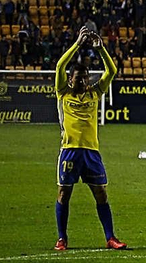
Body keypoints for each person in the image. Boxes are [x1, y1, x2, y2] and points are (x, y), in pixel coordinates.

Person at [52, 27, 126, 251]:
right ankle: (62, 238)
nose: (82, 81)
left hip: (91, 152)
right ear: (71, 79)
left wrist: (100, 48)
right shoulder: (63, 92)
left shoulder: (94, 93)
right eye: (78, 78)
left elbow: (111, 71)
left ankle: (110, 237)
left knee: (101, 193)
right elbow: (59, 66)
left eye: (85, 78)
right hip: (70, 150)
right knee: (64, 193)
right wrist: (77, 44)